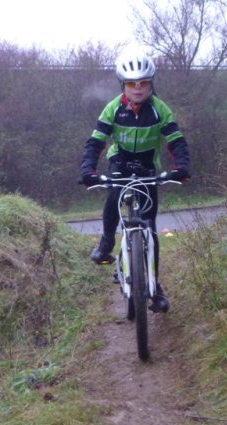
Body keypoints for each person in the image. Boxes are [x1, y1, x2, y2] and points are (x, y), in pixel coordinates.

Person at [78, 46, 191, 313]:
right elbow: (95, 142)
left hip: (147, 165)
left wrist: (181, 167)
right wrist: (88, 171)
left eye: (143, 83)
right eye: (131, 83)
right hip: (120, 161)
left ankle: (155, 289)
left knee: (150, 230)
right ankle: (107, 242)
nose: (137, 88)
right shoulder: (113, 109)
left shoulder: (160, 110)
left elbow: (176, 141)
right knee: (114, 194)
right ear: (123, 85)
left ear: (151, 84)